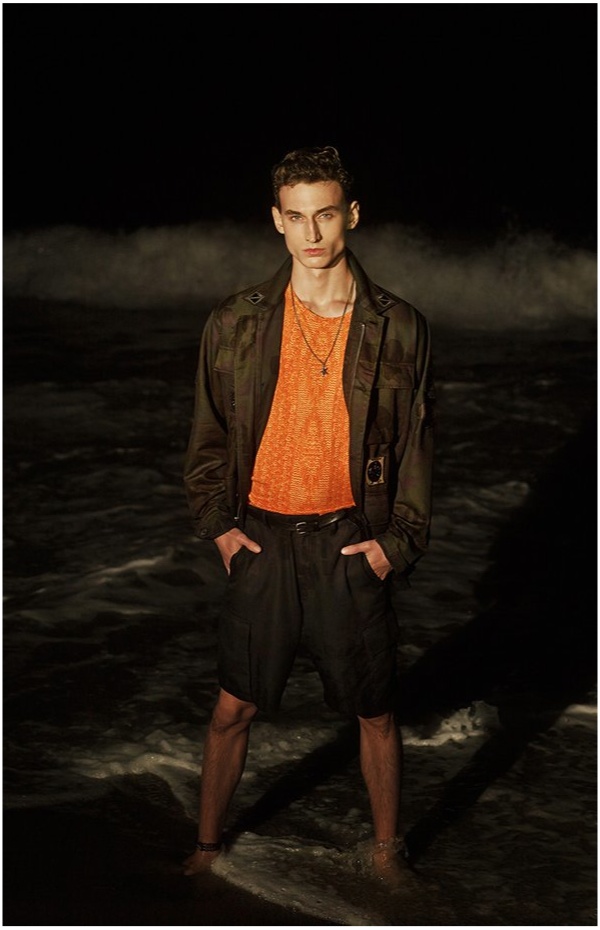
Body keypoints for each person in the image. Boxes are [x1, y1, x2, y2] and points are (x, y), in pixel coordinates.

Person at [182, 146, 434, 884]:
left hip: (349, 544)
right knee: (232, 710)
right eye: (296, 217)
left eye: (325, 214)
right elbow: (207, 436)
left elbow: (417, 447)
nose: (312, 233)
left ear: (351, 214)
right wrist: (220, 528)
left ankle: (386, 855)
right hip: (261, 541)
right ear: (277, 221)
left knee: (376, 713)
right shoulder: (235, 322)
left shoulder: (399, 325)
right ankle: (205, 850)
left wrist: (395, 545)